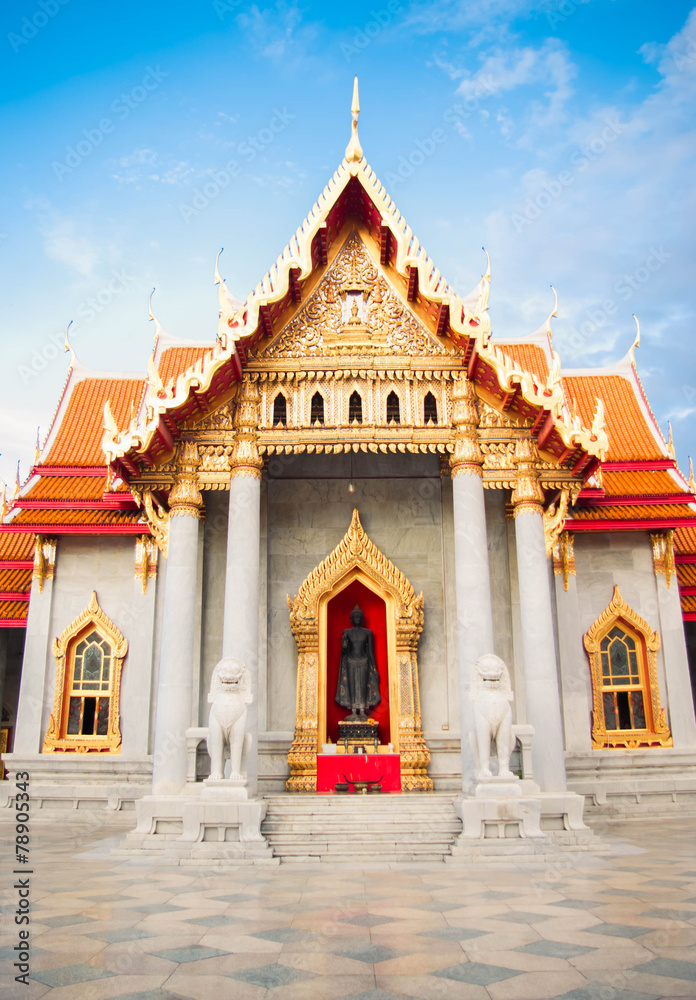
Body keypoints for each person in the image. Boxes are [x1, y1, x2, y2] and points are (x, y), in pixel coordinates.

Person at [335, 604, 381, 719]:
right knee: (351, 685)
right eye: (355, 617)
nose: (357, 619)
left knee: (363, 685)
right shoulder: (347, 632)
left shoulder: (367, 633)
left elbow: (370, 652)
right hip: (351, 661)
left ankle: (362, 710)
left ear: (362, 619)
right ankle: (353, 710)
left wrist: (374, 669)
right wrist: (344, 645)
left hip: (364, 661)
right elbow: (344, 651)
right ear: (351, 619)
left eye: (359, 617)